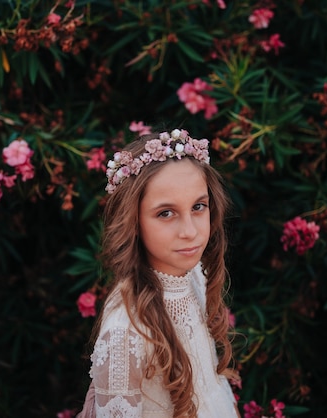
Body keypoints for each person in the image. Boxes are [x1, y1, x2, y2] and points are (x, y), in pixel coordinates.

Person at [78, 128, 240, 417]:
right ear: (133, 221)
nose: (190, 232)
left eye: (198, 207)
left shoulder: (193, 276)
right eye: (166, 213)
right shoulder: (125, 333)